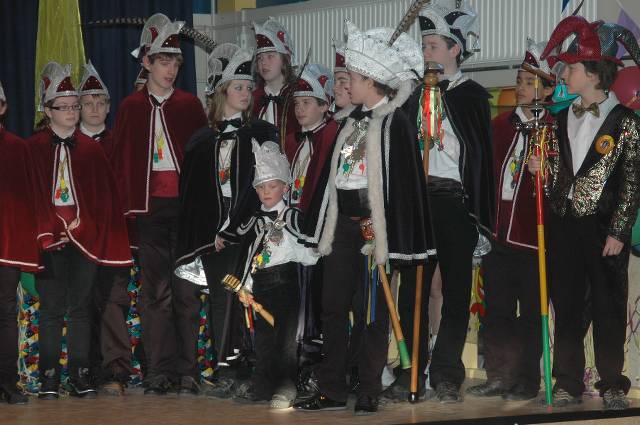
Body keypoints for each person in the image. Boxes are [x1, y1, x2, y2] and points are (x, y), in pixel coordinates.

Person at [294, 20, 431, 415]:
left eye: (352, 78)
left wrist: (383, 230)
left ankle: (369, 387)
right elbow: (337, 176)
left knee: (371, 311)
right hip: (343, 228)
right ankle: (332, 387)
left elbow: (401, 185)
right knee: (333, 307)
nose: (347, 84)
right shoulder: (349, 122)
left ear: (370, 80)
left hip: (374, 232)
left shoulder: (395, 123)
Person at [529, 16, 640, 410]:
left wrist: (619, 231)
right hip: (564, 225)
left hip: (603, 229)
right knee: (568, 305)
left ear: (593, 74)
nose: (564, 73)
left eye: (571, 68)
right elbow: (558, 176)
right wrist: (541, 172)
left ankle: (612, 383)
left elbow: (632, 182)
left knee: (609, 307)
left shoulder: (626, 122)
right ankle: (567, 381)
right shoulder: (560, 118)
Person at [395, 0, 494, 403]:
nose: (427, 52)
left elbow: (478, 154)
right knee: (412, 291)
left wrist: (443, 137)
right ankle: (410, 370)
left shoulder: (472, 96)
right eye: (424, 46)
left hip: (453, 201)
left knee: (455, 291)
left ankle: (447, 372)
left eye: (434, 45)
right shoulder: (412, 93)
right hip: (419, 202)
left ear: (455, 49)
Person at [110, 13, 208, 395]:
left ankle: (188, 370)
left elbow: (202, 164)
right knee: (156, 295)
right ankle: (158, 371)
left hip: (186, 212)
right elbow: (122, 165)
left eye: (175, 63)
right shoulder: (131, 108)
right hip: (149, 212)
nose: (170, 70)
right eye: (163, 62)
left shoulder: (190, 106)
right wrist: (126, 215)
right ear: (147, 63)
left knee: (186, 292)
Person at [174, 43, 278, 397]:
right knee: (223, 298)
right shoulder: (202, 140)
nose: (246, 93)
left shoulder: (261, 133)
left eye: (249, 87)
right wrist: (209, 234)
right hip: (215, 235)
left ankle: (258, 369)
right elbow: (193, 197)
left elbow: (263, 185)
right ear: (222, 92)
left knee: (250, 297)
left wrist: (236, 227)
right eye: (238, 87)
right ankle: (227, 370)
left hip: (250, 229)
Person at [29, 62, 132, 400]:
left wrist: (82, 225)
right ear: (48, 111)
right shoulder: (33, 149)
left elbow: (103, 200)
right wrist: (51, 229)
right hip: (49, 241)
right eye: (65, 107)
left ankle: (80, 373)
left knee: (80, 309)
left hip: (84, 241)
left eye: (75, 106)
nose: (73, 112)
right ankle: (48, 377)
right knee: (51, 309)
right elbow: (30, 196)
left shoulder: (90, 149)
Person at [466, 38, 554, 401]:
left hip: (533, 239)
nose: (521, 87)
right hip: (498, 234)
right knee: (497, 309)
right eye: (519, 80)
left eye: (530, 82)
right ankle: (499, 374)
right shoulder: (500, 126)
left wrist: (545, 171)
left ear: (547, 89)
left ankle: (527, 379)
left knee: (532, 312)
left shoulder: (554, 130)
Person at [231, 140, 318, 409]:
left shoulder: (292, 218)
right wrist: (245, 285)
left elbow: (308, 253)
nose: (266, 192)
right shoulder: (255, 222)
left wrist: (315, 251)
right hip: (261, 286)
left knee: (285, 342)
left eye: (272, 186)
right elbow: (251, 257)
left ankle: (285, 387)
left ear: (285, 187)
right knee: (264, 340)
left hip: (285, 284)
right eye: (261, 187)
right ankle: (263, 386)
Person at [77, 61, 133, 395]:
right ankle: (87, 369)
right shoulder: (67, 146)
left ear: (109, 107)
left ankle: (116, 369)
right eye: (88, 103)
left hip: (115, 239)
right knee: (83, 304)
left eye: (100, 102)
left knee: (113, 302)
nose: (95, 109)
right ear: (78, 108)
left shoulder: (120, 144)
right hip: (79, 240)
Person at [0, 81, 39, 404]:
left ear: (3, 108)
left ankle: (7, 382)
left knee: (5, 313)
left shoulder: (16, 148)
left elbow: (28, 199)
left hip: (6, 247)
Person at [251, 17, 300, 148]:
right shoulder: (253, 99)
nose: (263, 62)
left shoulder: (297, 98)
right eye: (260, 58)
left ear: (285, 60)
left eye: (270, 56)